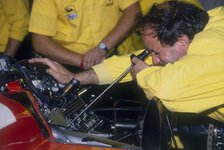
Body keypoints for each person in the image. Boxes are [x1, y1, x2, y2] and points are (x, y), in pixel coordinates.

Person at [29, 1, 224, 123]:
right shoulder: (202, 25)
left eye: (156, 52)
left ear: (182, 41)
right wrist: (75, 78)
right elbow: (137, 59)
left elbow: (168, 90)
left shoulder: (214, 46)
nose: (154, 60)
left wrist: (143, 74)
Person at [28, 0, 203, 70]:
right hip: (69, 63)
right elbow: (39, 41)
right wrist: (81, 61)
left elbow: (133, 12)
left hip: (112, 54)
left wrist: (102, 48)